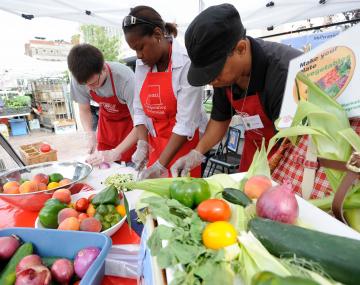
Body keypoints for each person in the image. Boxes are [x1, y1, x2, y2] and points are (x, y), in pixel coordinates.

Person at [171, 3, 302, 177]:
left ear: (241, 48)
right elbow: (220, 119)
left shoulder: (285, 74)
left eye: (214, 72)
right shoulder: (225, 77)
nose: (211, 82)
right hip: (253, 151)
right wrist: (196, 153)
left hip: (288, 155)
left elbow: (291, 141)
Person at [122, 5, 207, 179]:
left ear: (158, 35)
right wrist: (142, 143)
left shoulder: (186, 63)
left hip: (183, 147)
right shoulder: (142, 63)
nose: (138, 56)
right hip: (156, 144)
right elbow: (139, 108)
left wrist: (161, 165)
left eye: (141, 47)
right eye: (134, 50)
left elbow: (185, 123)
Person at [67, 44, 137, 165]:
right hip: (107, 126)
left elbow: (140, 123)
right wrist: (89, 133)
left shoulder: (125, 79)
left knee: (129, 168)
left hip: (130, 127)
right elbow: (84, 110)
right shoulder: (79, 78)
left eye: (94, 83)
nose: (90, 88)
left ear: (104, 68)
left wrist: (116, 152)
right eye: (86, 85)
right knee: (104, 166)